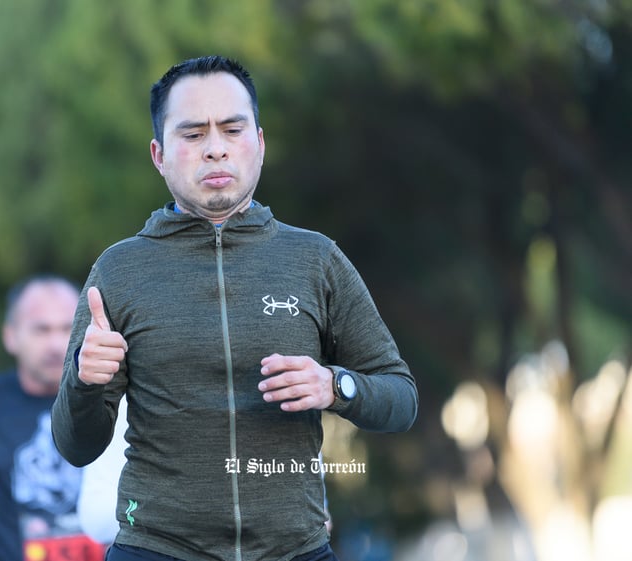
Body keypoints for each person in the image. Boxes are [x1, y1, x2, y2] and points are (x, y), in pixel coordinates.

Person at [51, 56, 418, 561]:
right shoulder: (119, 272)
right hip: (157, 549)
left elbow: (401, 399)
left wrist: (335, 386)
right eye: (193, 134)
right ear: (158, 154)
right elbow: (76, 446)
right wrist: (83, 378)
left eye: (231, 129)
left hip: (296, 550)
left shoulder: (315, 259)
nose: (216, 149)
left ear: (260, 143)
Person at [0, 275, 125, 561]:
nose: (55, 344)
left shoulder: (120, 396)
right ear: (11, 336)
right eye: (41, 330)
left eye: (67, 327)